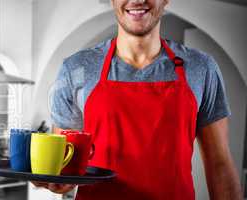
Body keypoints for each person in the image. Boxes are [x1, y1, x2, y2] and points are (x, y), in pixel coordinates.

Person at [36, 0, 243, 199]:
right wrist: (55, 179)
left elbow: (219, 164)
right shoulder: (75, 69)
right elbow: (66, 165)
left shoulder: (202, 68)